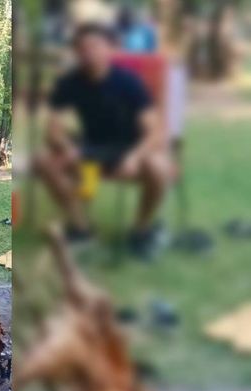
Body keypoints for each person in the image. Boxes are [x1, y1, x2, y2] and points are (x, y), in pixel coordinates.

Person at [32, 24, 169, 258]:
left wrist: (135, 156)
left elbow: (155, 131)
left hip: (129, 148)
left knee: (158, 166)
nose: (89, 52)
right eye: (82, 48)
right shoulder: (69, 83)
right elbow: (52, 130)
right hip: (90, 148)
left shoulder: (129, 82)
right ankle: (81, 229)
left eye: (95, 46)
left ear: (109, 49)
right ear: (76, 52)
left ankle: (141, 230)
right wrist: (68, 148)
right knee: (43, 161)